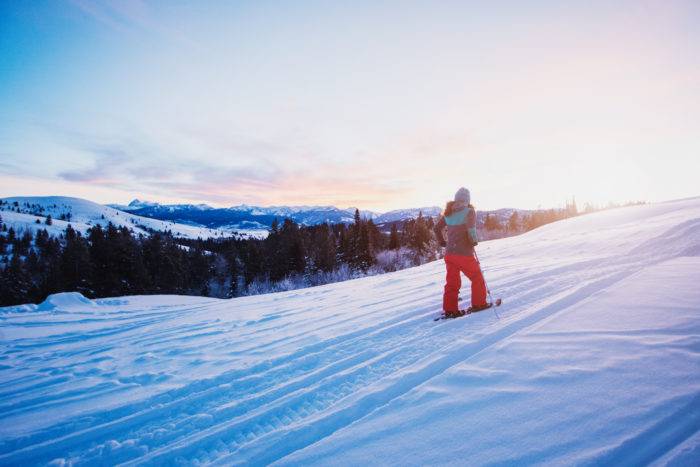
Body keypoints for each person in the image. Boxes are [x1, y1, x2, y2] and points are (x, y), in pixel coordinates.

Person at [434, 187, 488, 317]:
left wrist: (442, 242)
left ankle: (450, 310)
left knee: (452, 282)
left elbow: (436, 228)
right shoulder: (469, 211)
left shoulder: (448, 212)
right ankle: (479, 304)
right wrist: (474, 241)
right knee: (477, 277)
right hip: (463, 253)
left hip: (449, 254)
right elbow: (471, 229)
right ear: (467, 200)